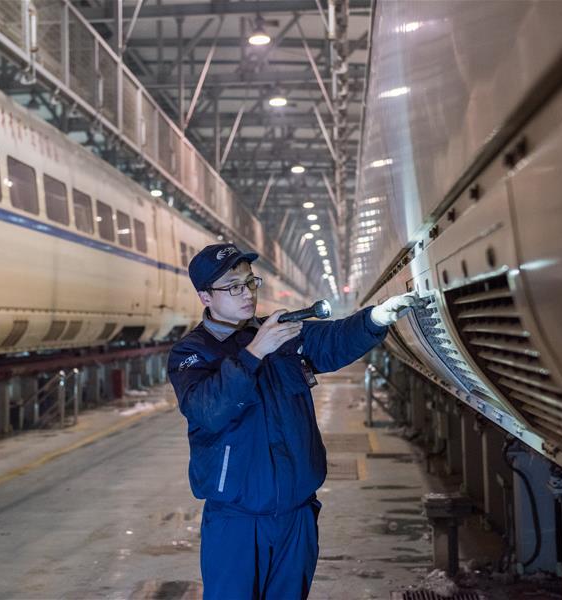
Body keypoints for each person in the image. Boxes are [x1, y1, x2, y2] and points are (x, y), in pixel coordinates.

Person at [167, 243, 417, 599]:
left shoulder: (280, 332)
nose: (247, 293)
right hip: (237, 520)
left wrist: (374, 319)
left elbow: (332, 340)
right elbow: (208, 408)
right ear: (205, 296)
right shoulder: (192, 352)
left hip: (296, 513)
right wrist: (255, 352)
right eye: (233, 287)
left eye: (250, 282)